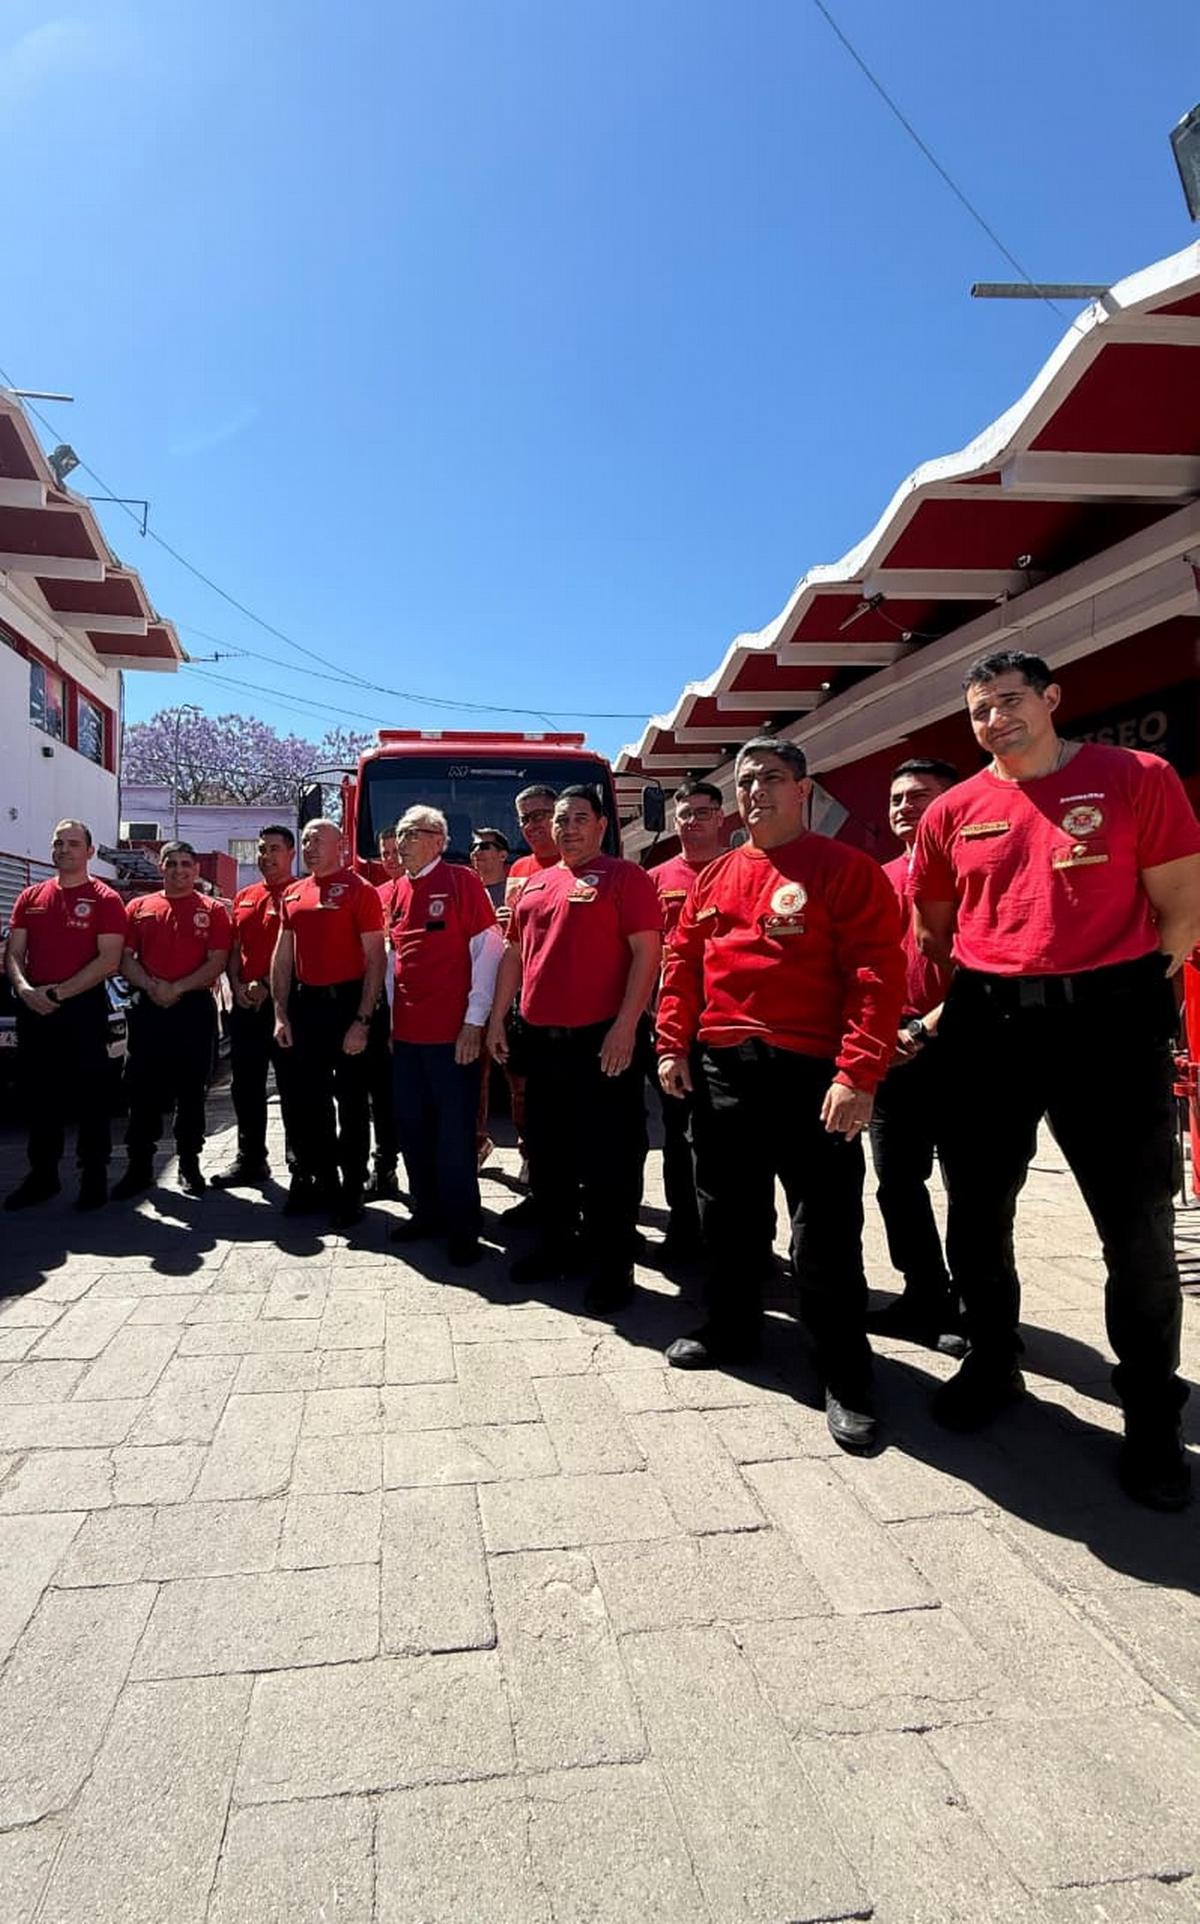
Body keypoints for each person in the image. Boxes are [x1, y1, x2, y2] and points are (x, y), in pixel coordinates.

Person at [911, 649, 1200, 1510]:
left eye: (1009, 701)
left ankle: (1151, 1415)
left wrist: (1137, 993)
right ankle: (993, 1360)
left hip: (1109, 1023)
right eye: (978, 710)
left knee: (1136, 1229)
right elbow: (934, 925)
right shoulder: (955, 809)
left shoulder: (1135, 775)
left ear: (1052, 700)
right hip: (988, 1024)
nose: (994, 719)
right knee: (976, 1206)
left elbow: (1182, 906)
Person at [657, 738, 905, 1453]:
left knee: (823, 1230)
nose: (755, 790)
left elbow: (875, 978)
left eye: (770, 777)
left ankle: (844, 1372)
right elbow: (682, 965)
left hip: (813, 1075)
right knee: (728, 1214)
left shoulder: (846, 870)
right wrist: (673, 1043)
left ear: (805, 789)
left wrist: (858, 1075)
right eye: (745, 780)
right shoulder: (714, 877)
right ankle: (732, 1329)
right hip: (725, 1069)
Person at [488, 785, 662, 1312]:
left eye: (578, 819)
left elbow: (646, 955)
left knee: (609, 1162)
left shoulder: (624, 878)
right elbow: (515, 954)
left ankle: (614, 1270)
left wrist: (625, 1026)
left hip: (601, 1042)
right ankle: (557, 1247)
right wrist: (498, 1017)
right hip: (541, 1044)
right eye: (560, 821)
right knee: (548, 1156)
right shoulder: (535, 883)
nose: (566, 828)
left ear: (602, 825)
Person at [866, 760, 966, 1356]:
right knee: (897, 1182)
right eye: (897, 797)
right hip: (891, 1049)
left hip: (963, 1047)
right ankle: (923, 1292)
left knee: (971, 1188)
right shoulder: (879, 876)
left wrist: (927, 1029)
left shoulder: (974, 868)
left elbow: (987, 966)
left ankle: (977, 1309)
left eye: (921, 795)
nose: (905, 806)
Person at [387, 806, 505, 1265]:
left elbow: (489, 950)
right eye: (399, 835)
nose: (401, 842)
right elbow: (397, 962)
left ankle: (463, 1227)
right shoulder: (398, 890)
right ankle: (427, 1211)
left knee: (454, 1136)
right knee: (413, 1130)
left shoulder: (460, 882)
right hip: (408, 1038)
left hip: (453, 1037)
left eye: (410, 834)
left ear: (437, 839)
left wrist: (474, 1023)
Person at [4, 820, 127, 1211]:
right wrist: (24, 990)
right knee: (40, 1095)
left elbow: (108, 959)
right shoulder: (31, 896)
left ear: (90, 852)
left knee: (91, 1095)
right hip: (35, 1007)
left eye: (74, 843)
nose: (65, 850)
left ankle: (93, 1175)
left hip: (82, 1007)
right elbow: (14, 953)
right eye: (59, 843)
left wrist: (59, 992)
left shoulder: (106, 899)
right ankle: (43, 1175)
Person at [272, 818, 386, 1228]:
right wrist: (281, 1013)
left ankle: (352, 1188)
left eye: (318, 840)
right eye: (305, 840)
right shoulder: (293, 893)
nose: (310, 847)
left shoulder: (361, 891)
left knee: (352, 1105)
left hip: (347, 1005)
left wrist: (363, 1020)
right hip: (307, 1008)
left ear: (341, 844)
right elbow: (283, 958)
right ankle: (322, 1180)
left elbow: (376, 959)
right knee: (309, 1104)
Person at [115, 843, 232, 1199]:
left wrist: (177, 987)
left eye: (186, 864)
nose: (179, 870)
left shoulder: (212, 910)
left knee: (192, 1089)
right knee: (142, 1088)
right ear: (161, 868)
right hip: (148, 1007)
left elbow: (217, 961)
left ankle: (189, 1163)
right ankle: (139, 1167)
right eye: (172, 864)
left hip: (193, 1007)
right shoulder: (138, 907)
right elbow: (125, 958)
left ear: (196, 869)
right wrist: (152, 986)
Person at [649, 780, 727, 1263]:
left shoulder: (740, 868)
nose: (693, 821)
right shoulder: (655, 878)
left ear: (722, 817)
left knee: (730, 1141)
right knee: (677, 1135)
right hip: (672, 1024)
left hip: (729, 1025)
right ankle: (682, 1229)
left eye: (703, 812)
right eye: (685, 814)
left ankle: (741, 1238)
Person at [211, 824, 299, 1188]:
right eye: (262, 849)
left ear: (291, 853)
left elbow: (303, 952)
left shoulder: (301, 893)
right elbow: (235, 950)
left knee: (294, 1087)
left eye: (274, 849)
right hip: (247, 1008)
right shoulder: (245, 896)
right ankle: (250, 1160)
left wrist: (265, 984)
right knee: (245, 1086)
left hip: (287, 1006)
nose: (266, 856)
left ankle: (300, 1163)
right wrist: (236, 984)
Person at [500, 787, 560, 1194]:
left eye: (541, 815)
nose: (532, 825)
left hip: (570, 1007)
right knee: (524, 1093)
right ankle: (532, 1169)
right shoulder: (519, 867)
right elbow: (514, 940)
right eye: (524, 818)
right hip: (525, 1000)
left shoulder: (581, 863)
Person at [469, 828, 512, 1167]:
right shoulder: (467, 893)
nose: (477, 853)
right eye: (473, 848)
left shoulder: (518, 890)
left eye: (485, 847)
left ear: (503, 854)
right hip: (477, 999)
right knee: (475, 1079)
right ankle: (477, 1144)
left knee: (521, 1082)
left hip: (514, 997)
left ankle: (532, 1153)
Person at [365, 829, 402, 1200]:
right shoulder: (374, 896)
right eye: (384, 852)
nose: (390, 858)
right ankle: (385, 1166)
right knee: (382, 1095)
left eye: (396, 850)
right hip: (379, 1008)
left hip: (417, 1010)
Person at [470, 828, 511, 908]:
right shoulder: (465, 892)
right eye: (473, 847)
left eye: (484, 846)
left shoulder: (514, 892)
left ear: (503, 856)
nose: (475, 851)